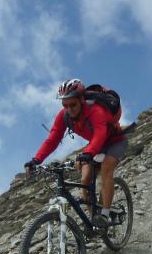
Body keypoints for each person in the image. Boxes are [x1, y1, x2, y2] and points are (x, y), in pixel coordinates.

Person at [24, 78, 128, 229]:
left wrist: (88, 153)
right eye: (65, 105)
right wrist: (36, 160)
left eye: (73, 105)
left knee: (106, 169)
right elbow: (52, 139)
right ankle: (93, 220)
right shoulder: (64, 115)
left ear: (81, 100)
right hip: (95, 146)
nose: (69, 109)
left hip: (115, 141)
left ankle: (105, 215)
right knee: (85, 180)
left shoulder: (96, 110)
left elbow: (100, 134)